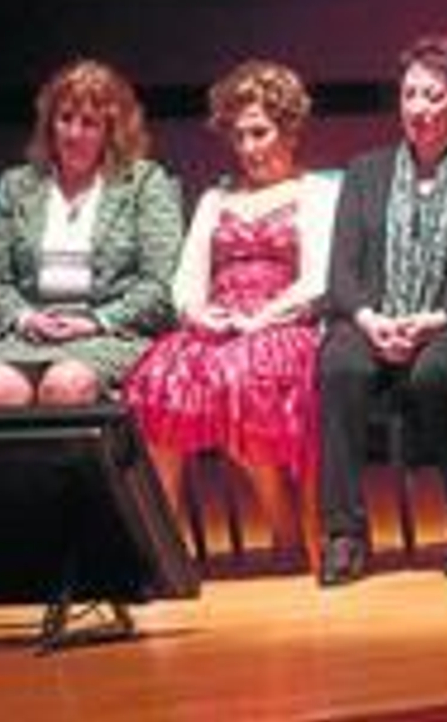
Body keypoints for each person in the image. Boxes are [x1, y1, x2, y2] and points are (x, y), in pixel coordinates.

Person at [317, 34, 447, 587]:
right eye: (410, 94)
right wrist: (368, 318)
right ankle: (344, 535)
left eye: (433, 97)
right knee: (340, 366)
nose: (418, 109)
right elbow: (341, 267)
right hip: (374, 318)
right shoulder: (366, 170)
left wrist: (438, 317)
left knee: (438, 373)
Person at [124, 61, 336, 559]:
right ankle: (164, 547)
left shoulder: (318, 194)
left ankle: (286, 529)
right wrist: (198, 314)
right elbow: (187, 279)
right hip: (218, 325)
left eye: (260, 133)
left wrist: (259, 320)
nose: (249, 147)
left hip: (285, 322)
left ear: (288, 129)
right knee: (158, 381)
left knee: (244, 380)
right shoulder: (216, 197)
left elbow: (318, 279)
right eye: (239, 136)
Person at [0, 59, 183, 408]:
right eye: (65, 118)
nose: (73, 133)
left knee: (65, 385)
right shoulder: (17, 185)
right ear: (49, 124)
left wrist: (95, 321)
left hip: (112, 332)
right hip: (30, 333)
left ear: (111, 130)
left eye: (89, 123)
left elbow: (159, 285)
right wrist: (25, 317)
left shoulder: (144, 183)